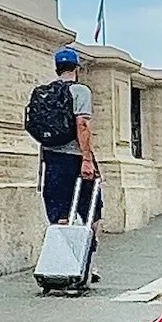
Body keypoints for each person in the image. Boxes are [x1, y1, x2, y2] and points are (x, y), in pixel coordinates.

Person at [26, 46, 101, 275]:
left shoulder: (43, 92)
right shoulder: (81, 91)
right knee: (91, 210)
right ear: (76, 68)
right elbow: (82, 125)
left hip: (51, 158)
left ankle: (63, 263)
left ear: (57, 68)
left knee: (59, 213)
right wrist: (87, 159)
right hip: (75, 158)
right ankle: (87, 263)